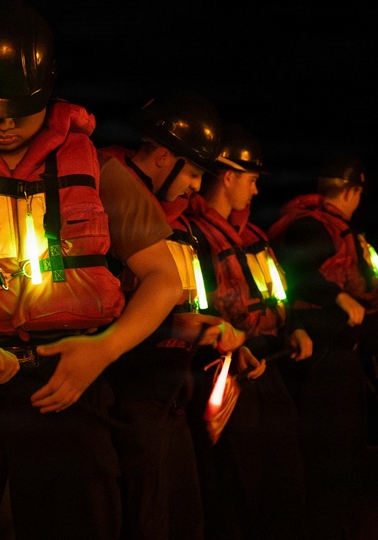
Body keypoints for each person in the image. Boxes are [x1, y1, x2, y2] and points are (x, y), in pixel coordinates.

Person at [0, 0, 183, 539]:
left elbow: (165, 279)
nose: (2, 125)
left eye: (19, 111)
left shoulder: (101, 172)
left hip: (70, 383)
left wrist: (103, 351)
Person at [98, 92, 246, 540]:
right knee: (145, 523)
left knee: (185, 521)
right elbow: (104, 309)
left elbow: (184, 305)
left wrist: (214, 339)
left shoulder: (177, 222)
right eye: (196, 172)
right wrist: (184, 328)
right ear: (164, 157)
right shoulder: (107, 206)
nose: (197, 187)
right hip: (129, 402)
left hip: (172, 399)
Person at [266, 152, 378, 539]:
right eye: (359, 194)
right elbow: (298, 273)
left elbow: (364, 308)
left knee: (347, 460)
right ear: (351, 191)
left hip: (343, 362)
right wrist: (338, 298)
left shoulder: (343, 233)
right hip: (320, 366)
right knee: (326, 465)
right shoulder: (312, 228)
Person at [181, 124, 312, 540]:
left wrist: (296, 328)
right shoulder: (193, 234)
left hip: (269, 368)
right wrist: (232, 349)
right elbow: (195, 308)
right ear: (230, 176)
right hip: (223, 373)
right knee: (236, 483)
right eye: (252, 180)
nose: (256, 191)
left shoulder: (253, 237)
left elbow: (278, 294)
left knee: (284, 475)